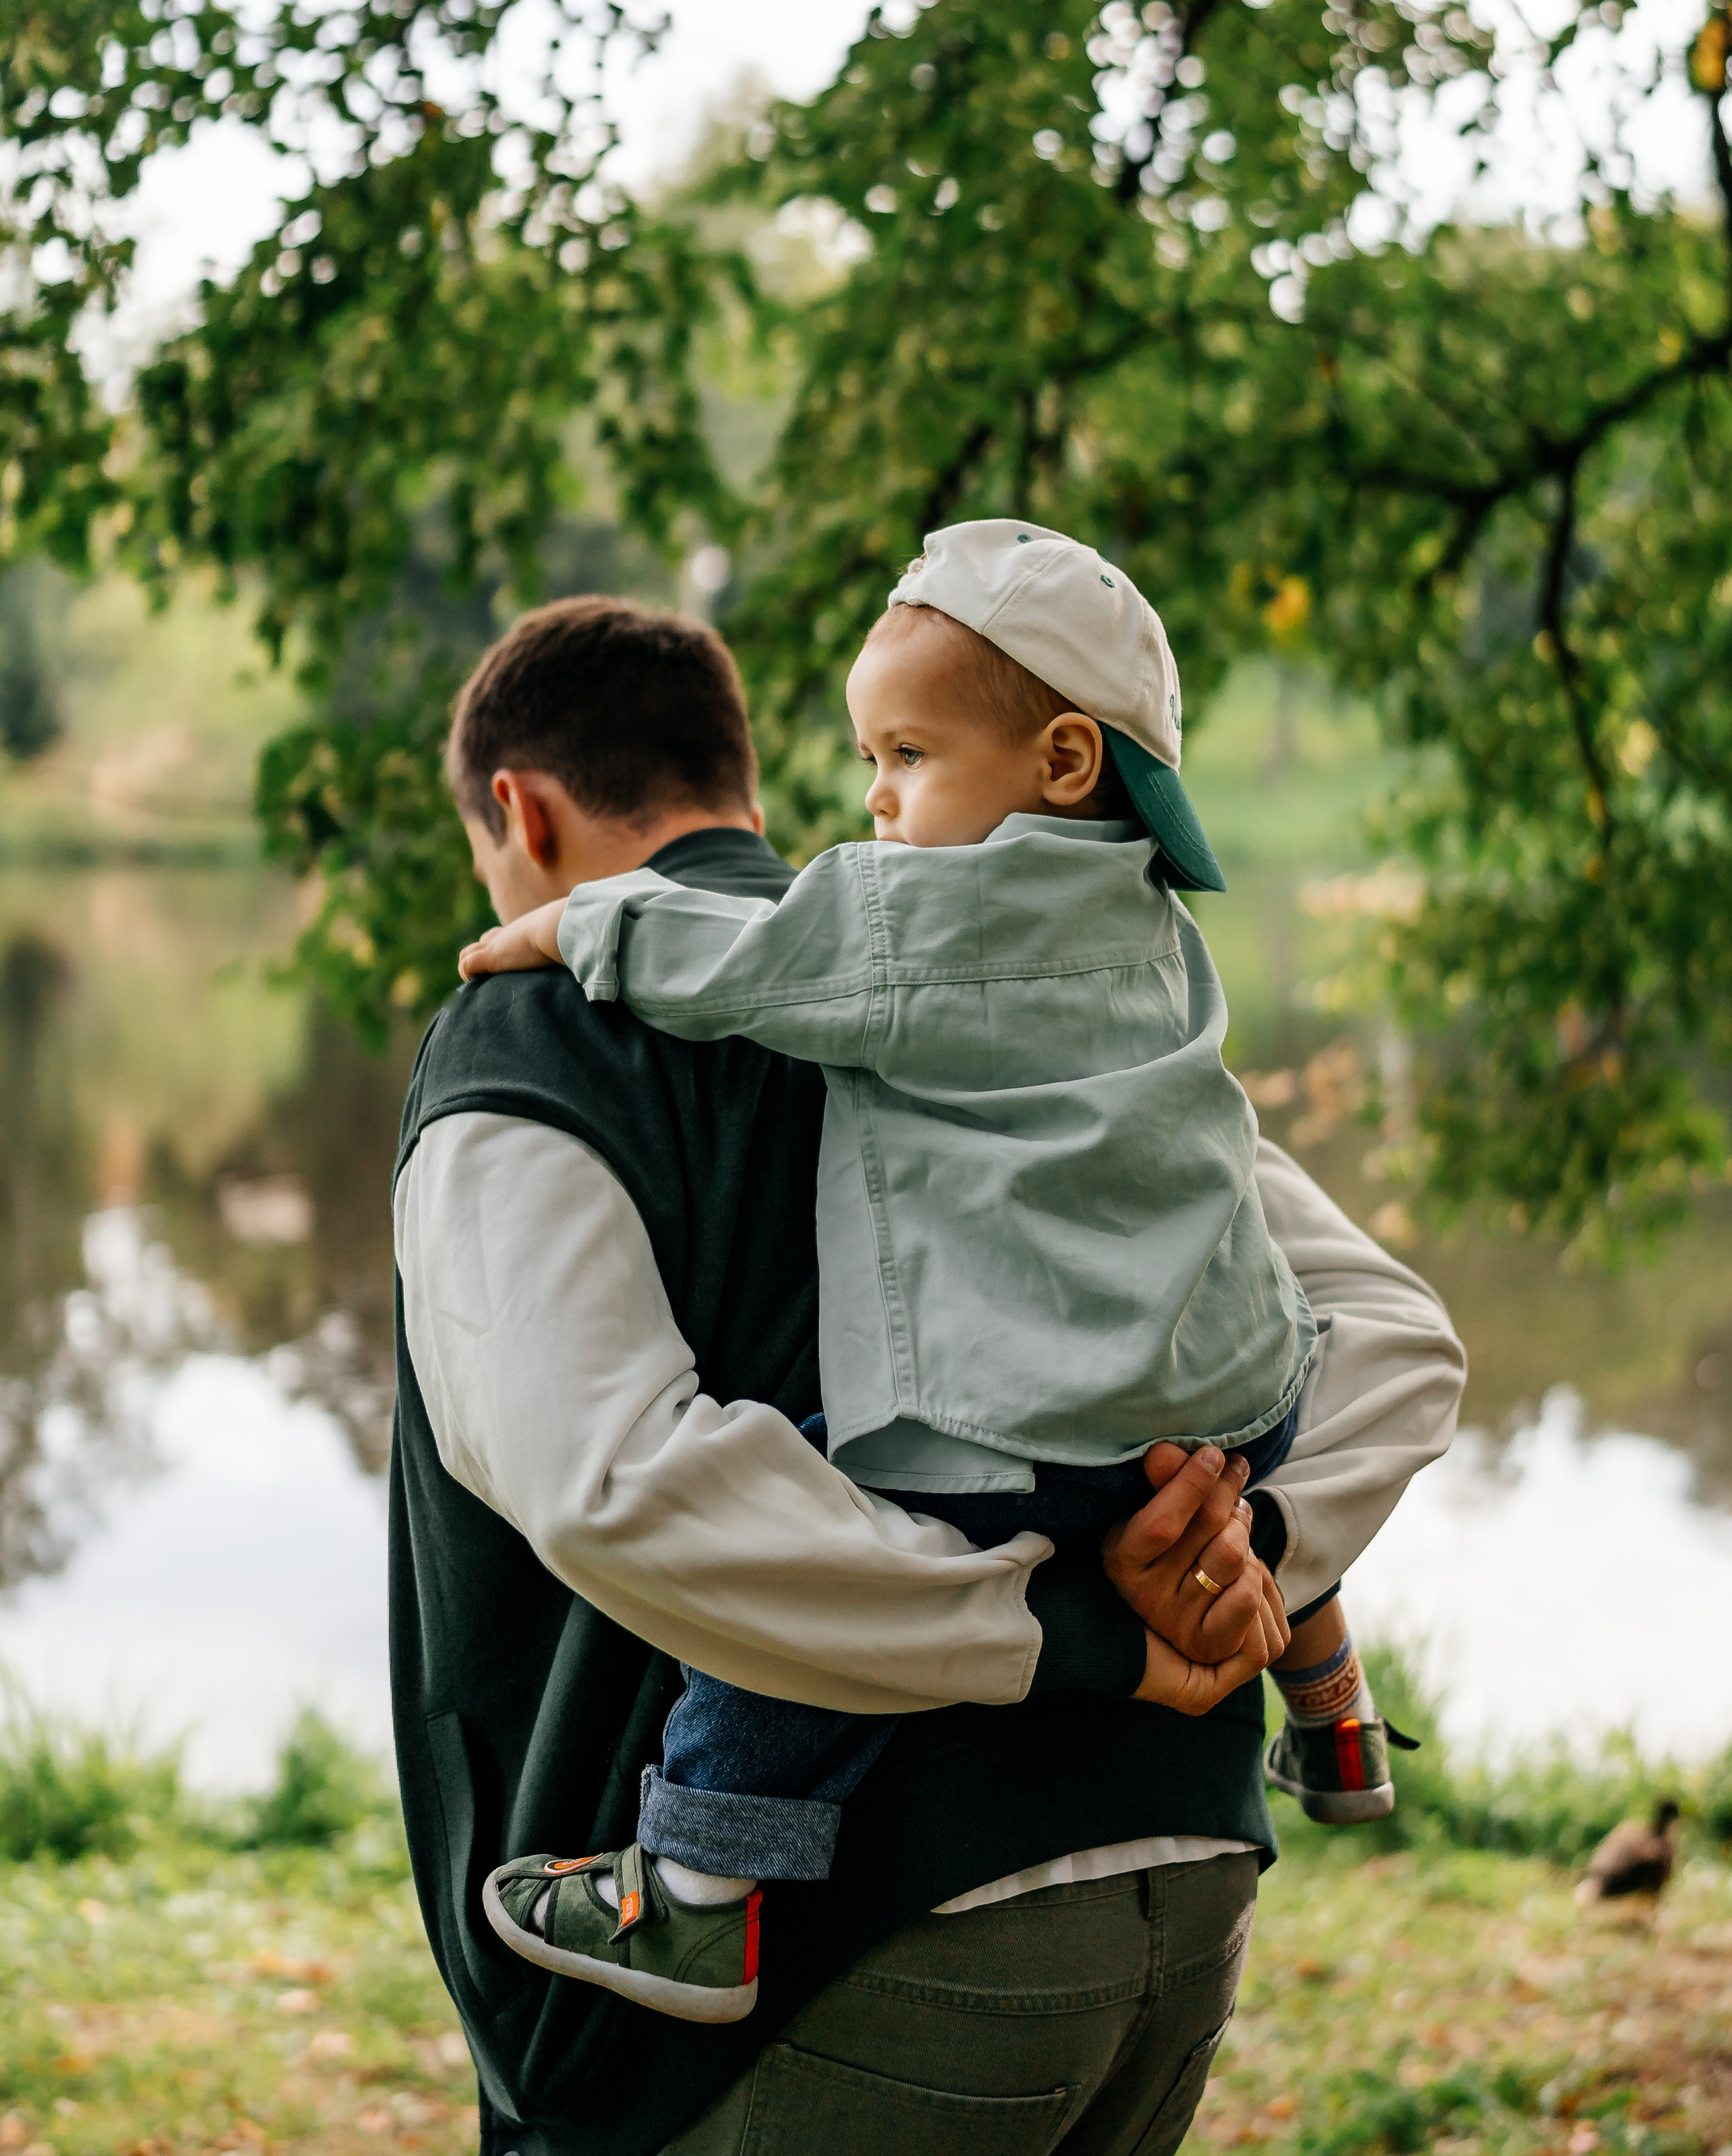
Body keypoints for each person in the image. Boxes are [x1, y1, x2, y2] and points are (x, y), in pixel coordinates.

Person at [391, 591, 1465, 2156]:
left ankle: (693, 1880)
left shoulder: (542, 1031)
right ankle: (1333, 1713)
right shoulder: (1044, 981)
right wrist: (1243, 1558)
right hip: (1177, 1881)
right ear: (746, 781)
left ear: (520, 815)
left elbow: (609, 1486)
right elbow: (1383, 1328)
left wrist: (1075, 1632)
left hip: (842, 1968)